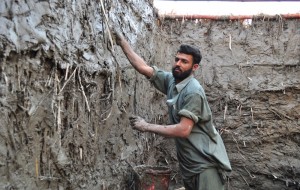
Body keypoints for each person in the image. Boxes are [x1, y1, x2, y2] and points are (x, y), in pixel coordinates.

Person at [113, 30, 232, 190]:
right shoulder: (172, 80)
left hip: (205, 165)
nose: (178, 64)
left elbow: (183, 130)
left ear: (194, 67)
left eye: (184, 61)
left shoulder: (193, 91)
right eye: (177, 59)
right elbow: (143, 68)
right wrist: (122, 43)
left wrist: (145, 126)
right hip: (190, 166)